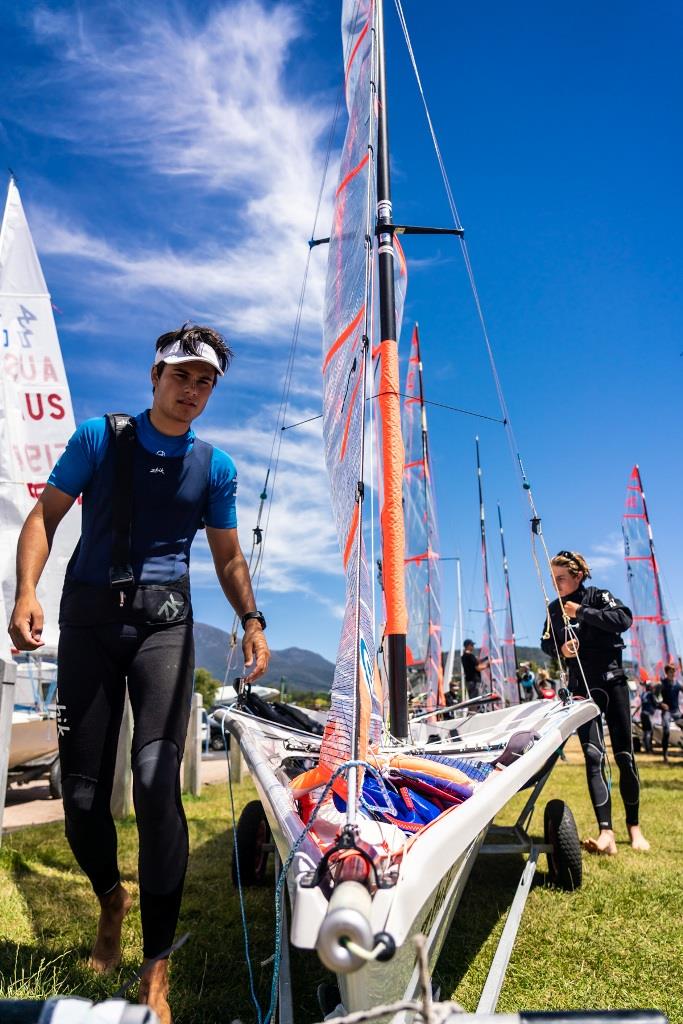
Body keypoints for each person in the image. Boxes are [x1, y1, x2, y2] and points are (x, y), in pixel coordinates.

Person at [8, 324, 270, 1024]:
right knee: (85, 798)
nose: (192, 391)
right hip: (89, 624)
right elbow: (43, 518)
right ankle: (109, 899)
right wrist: (26, 591)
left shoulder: (214, 468)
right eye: (182, 376)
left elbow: (227, 558)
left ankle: (156, 962)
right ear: (155, 374)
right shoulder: (100, 438)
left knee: (156, 779)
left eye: (205, 382)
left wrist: (251, 618)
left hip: (164, 628)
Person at [541, 550, 649, 855]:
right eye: (553, 578)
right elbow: (546, 643)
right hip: (582, 688)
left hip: (612, 682)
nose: (556, 583)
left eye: (561, 578)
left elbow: (623, 619)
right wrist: (560, 649)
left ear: (577, 576)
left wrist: (582, 613)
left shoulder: (598, 596)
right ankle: (607, 835)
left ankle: (634, 828)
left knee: (625, 757)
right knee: (593, 756)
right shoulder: (553, 609)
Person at [659, 664, 683, 763]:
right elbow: (655, 697)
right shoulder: (662, 683)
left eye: (674, 672)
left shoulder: (678, 684)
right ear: (667, 673)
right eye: (670, 672)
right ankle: (665, 755)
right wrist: (661, 704)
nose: (672, 674)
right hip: (667, 712)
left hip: (676, 712)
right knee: (666, 731)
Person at [639, 681, 659, 755]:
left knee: (645, 731)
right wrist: (662, 705)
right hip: (648, 715)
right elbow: (656, 703)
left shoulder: (643, 694)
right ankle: (648, 749)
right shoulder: (651, 694)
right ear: (650, 687)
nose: (654, 688)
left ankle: (645, 747)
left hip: (643, 714)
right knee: (649, 732)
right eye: (652, 687)